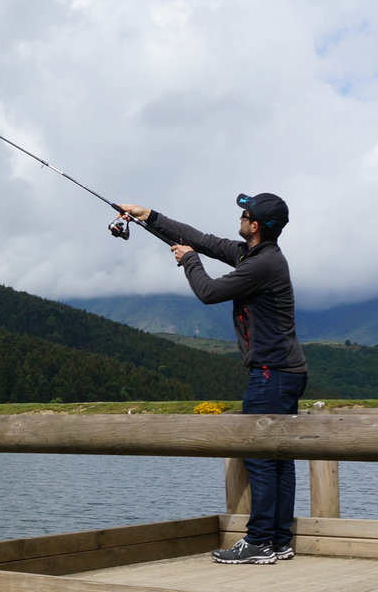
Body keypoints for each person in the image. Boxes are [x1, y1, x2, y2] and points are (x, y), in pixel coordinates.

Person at [112, 193, 305, 564]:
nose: (240, 216)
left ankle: (260, 541)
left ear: (255, 226)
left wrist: (190, 261)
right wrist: (148, 216)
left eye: (245, 213)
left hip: (271, 373)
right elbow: (201, 239)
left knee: (261, 457)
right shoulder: (255, 255)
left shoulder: (261, 264)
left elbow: (209, 291)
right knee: (278, 457)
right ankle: (278, 540)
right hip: (284, 371)